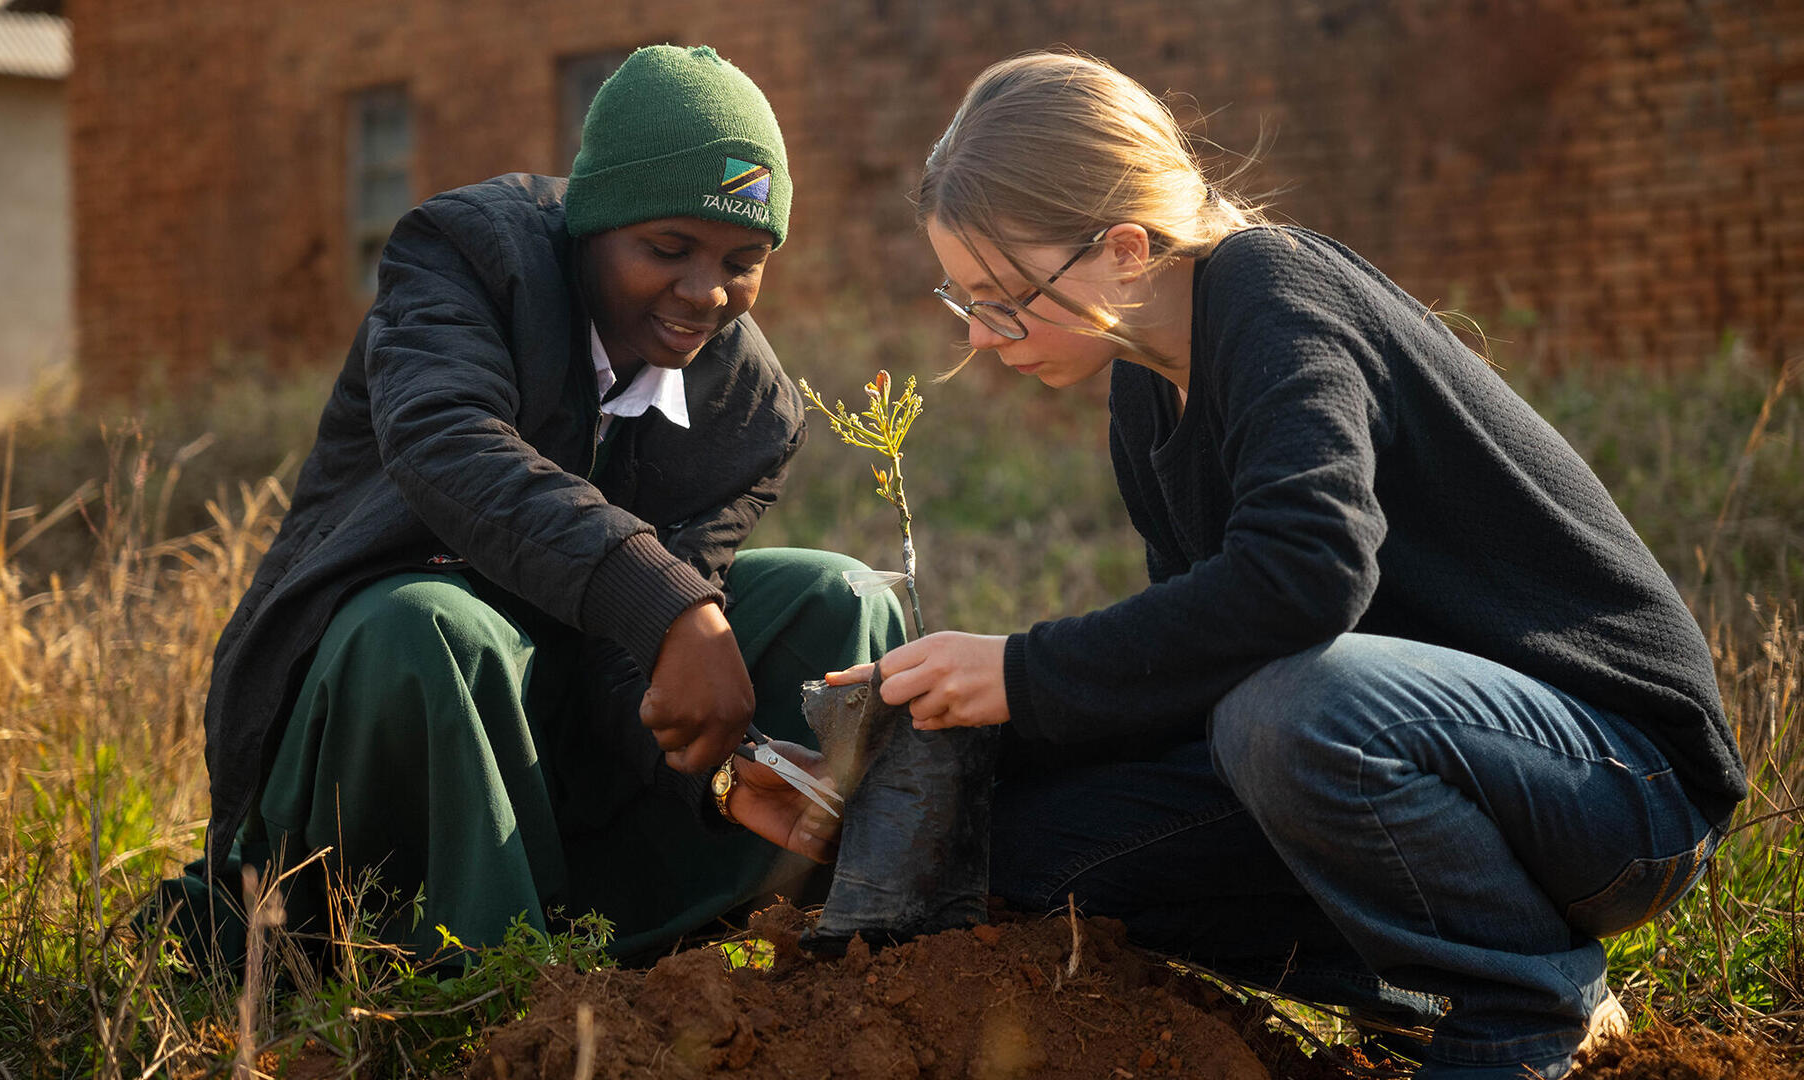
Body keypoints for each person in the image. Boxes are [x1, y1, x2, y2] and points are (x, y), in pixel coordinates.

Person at [829, 51, 1745, 1080]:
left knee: (1290, 709)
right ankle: (1423, 996)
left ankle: (1523, 1011)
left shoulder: (1273, 289)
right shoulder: (1144, 388)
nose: (990, 339)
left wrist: (1022, 671)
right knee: (1039, 848)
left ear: (1125, 249)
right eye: (965, 304)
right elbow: (1199, 660)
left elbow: (1308, 571)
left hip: (1619, 787)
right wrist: (971, 749)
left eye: (1006, 299)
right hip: (1423, 766)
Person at [154, 44, 904, 968]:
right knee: (432, 625)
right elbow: (447, 443)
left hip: (557, 720)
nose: (706, 292)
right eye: (666, 249)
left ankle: (722, 936)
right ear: (593, 224)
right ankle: (453, 976)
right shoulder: (467, 257)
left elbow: (628, 666)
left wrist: (716, 766)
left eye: (743, 261)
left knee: (843, 596)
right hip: (383, 701)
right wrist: (668, 604)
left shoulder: (749, 412)